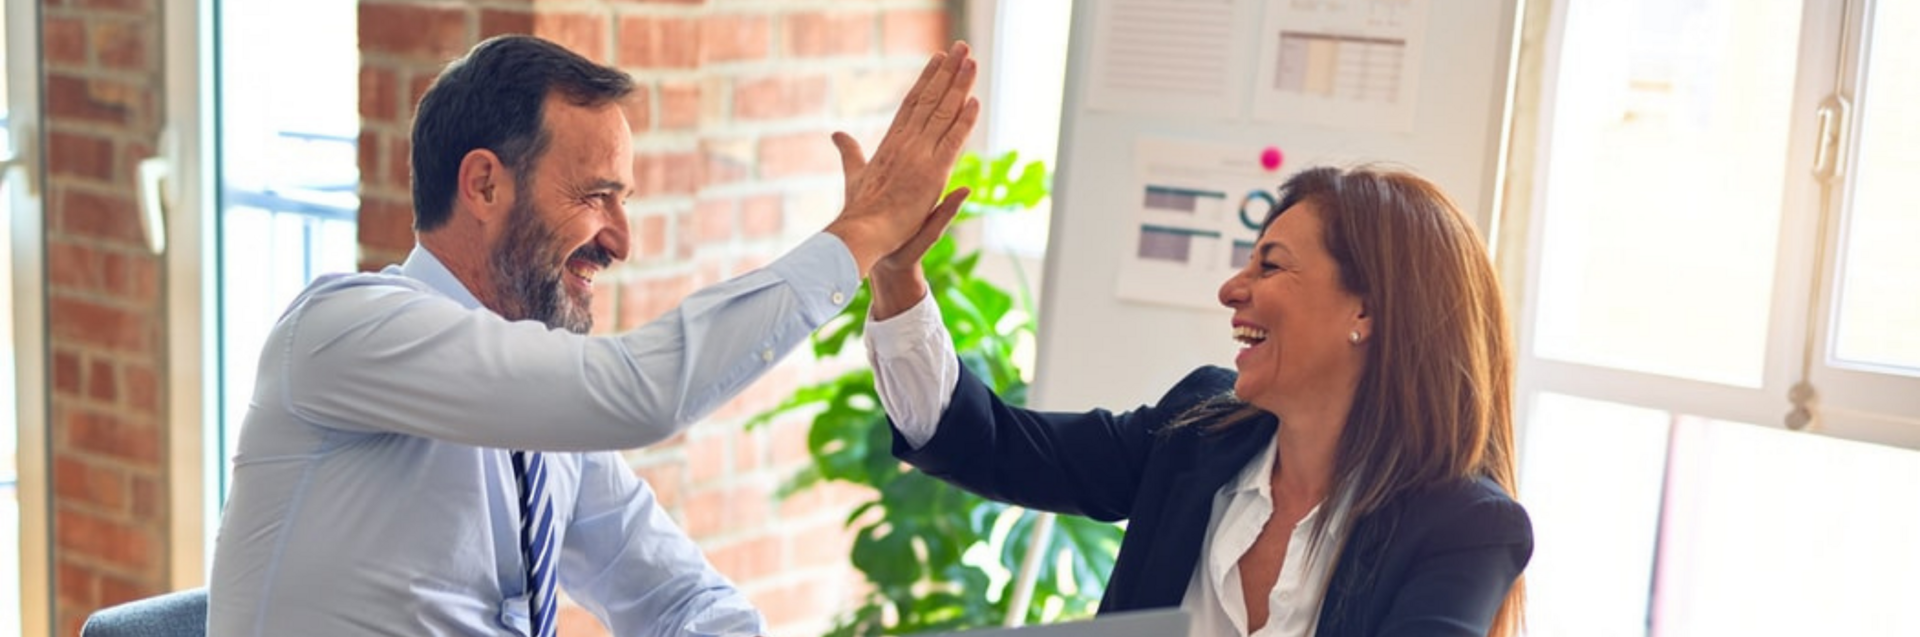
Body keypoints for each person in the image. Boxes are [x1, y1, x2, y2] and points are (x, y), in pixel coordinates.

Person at [208, 34, 979, 637]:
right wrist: (860, 234)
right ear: (484, 184)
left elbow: (681, 599)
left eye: (624, 200)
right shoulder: (344, 330)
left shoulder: (543, 424)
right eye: (596, 196)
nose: (620, 240)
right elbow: (638, 393)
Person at [864, 166, 1531, 637]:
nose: (1231, 290)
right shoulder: (1198, 429)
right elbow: (987, 443)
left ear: (1366, 311)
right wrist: (897, 275)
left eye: (1270, 265)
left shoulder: (1465, 527)